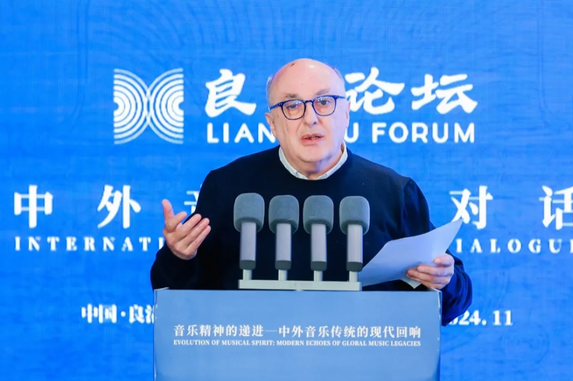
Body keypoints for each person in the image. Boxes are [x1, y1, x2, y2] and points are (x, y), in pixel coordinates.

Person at [150, 58, 472, 326]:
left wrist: (443, 281)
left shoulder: (394, 193)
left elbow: (452, 304)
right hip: (250, 368)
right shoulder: (228, 187)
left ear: (346, 113)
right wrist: (179, 257)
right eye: (292, 105)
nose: (311, 118)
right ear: (272, 124)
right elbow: (179, 301)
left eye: (324, 102)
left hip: (367, 371)